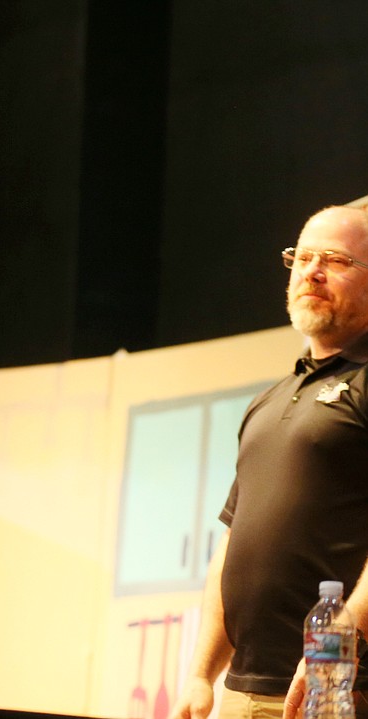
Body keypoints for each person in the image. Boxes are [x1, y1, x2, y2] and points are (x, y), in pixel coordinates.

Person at [170, 205, 368, 719]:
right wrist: (200, 673)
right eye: (301, 258)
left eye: (335, 259)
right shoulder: (268, 401)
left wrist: (333, 648)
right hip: (241, 692)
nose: (311, 271)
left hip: (334, 687)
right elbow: (235, 542)